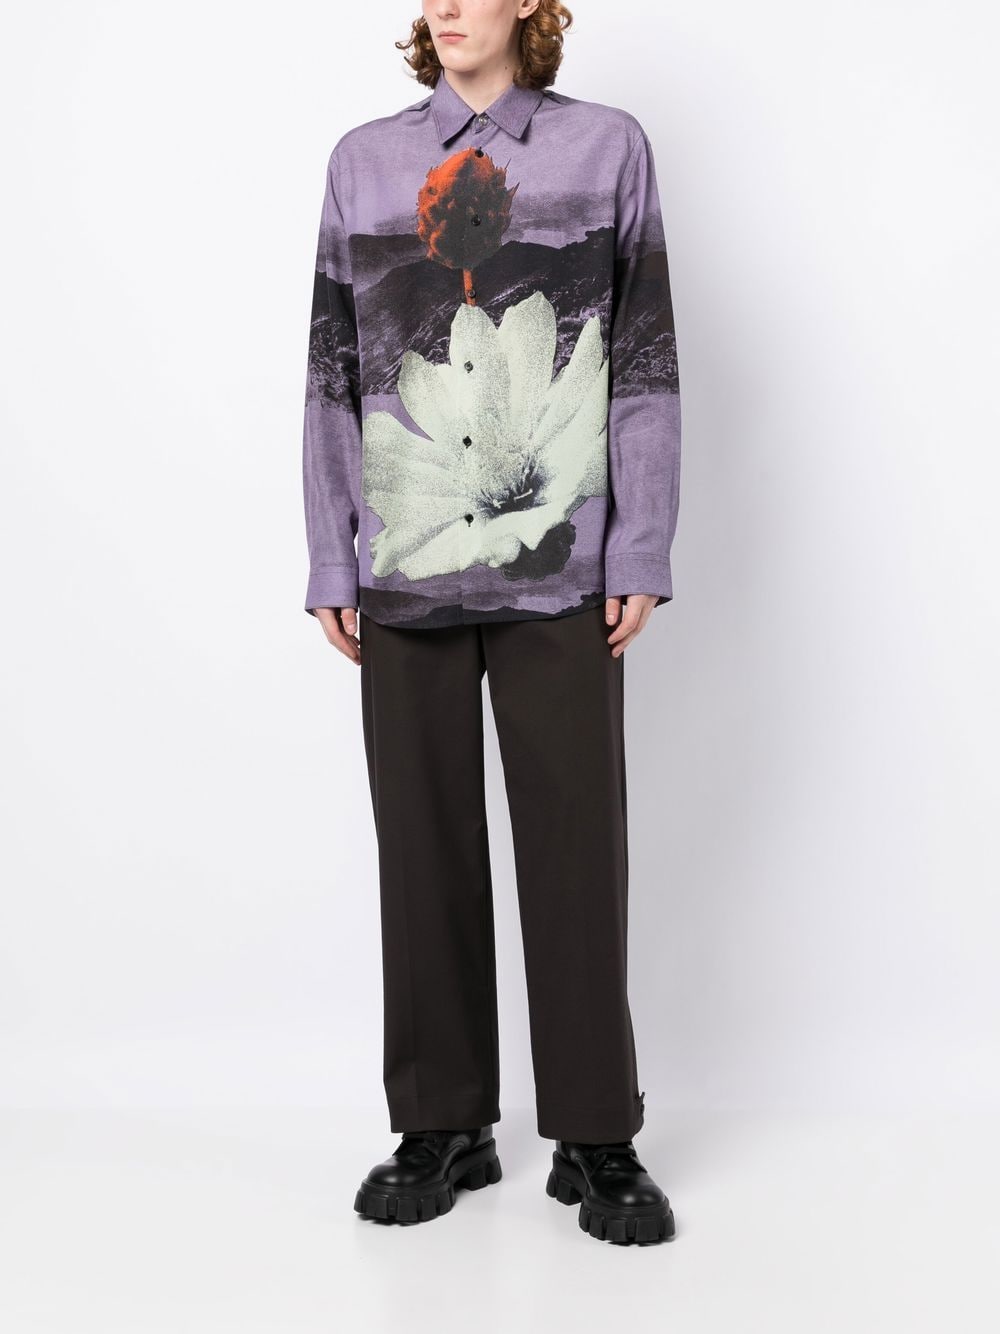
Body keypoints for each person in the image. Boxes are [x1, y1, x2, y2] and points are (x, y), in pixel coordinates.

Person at [301, 0, 681, 1246]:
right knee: (420, 846)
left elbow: (641, 356)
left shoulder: (605, 147)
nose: (445, 7)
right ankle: (442, 1122)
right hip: (405, 556)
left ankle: (596, 1130)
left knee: (577, 846)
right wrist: (333, 552)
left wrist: (639, 542)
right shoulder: (363, 160)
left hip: (563, 566)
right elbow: (331, 368)